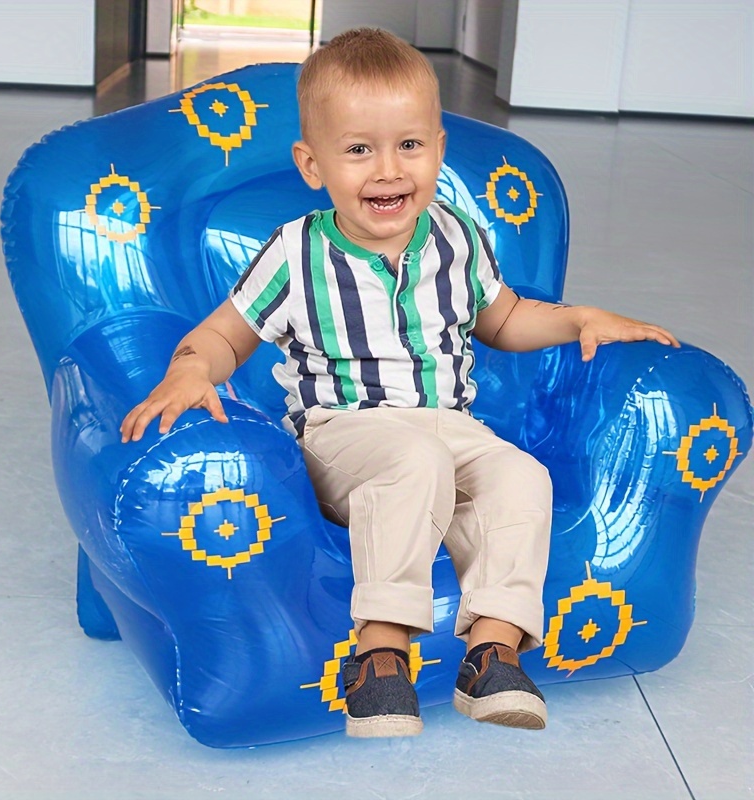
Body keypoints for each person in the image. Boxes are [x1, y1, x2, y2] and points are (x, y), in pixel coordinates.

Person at [120, 27, 679, 739]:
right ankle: (380, 653)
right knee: (413, 464)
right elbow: (227, 333)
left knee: (521, 477)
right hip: (342, 434)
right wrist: (191, 370)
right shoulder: (297, 251)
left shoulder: (454, 236)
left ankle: (493, 652)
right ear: (312, 164)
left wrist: (579, 319)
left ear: (438, 150)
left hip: (452, 426)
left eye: (409, 146)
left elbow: (504, 319)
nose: (388, 170)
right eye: (359, 150)